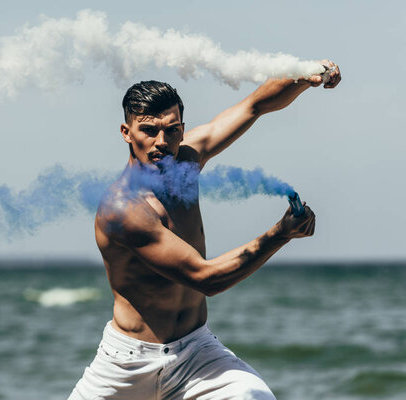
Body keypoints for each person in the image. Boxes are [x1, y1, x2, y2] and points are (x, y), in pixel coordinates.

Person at [68, 61, 341, 400]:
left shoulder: (187, 158)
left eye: (172, 130)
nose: (161, 142)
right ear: (127, 132)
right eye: (148, 130)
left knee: (252, 397)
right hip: (125, 368)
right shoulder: (123, 208)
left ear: (182, 128)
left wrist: (305, 75)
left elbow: (255, 104)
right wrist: (280, 234)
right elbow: (205, 278)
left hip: (195, 354)